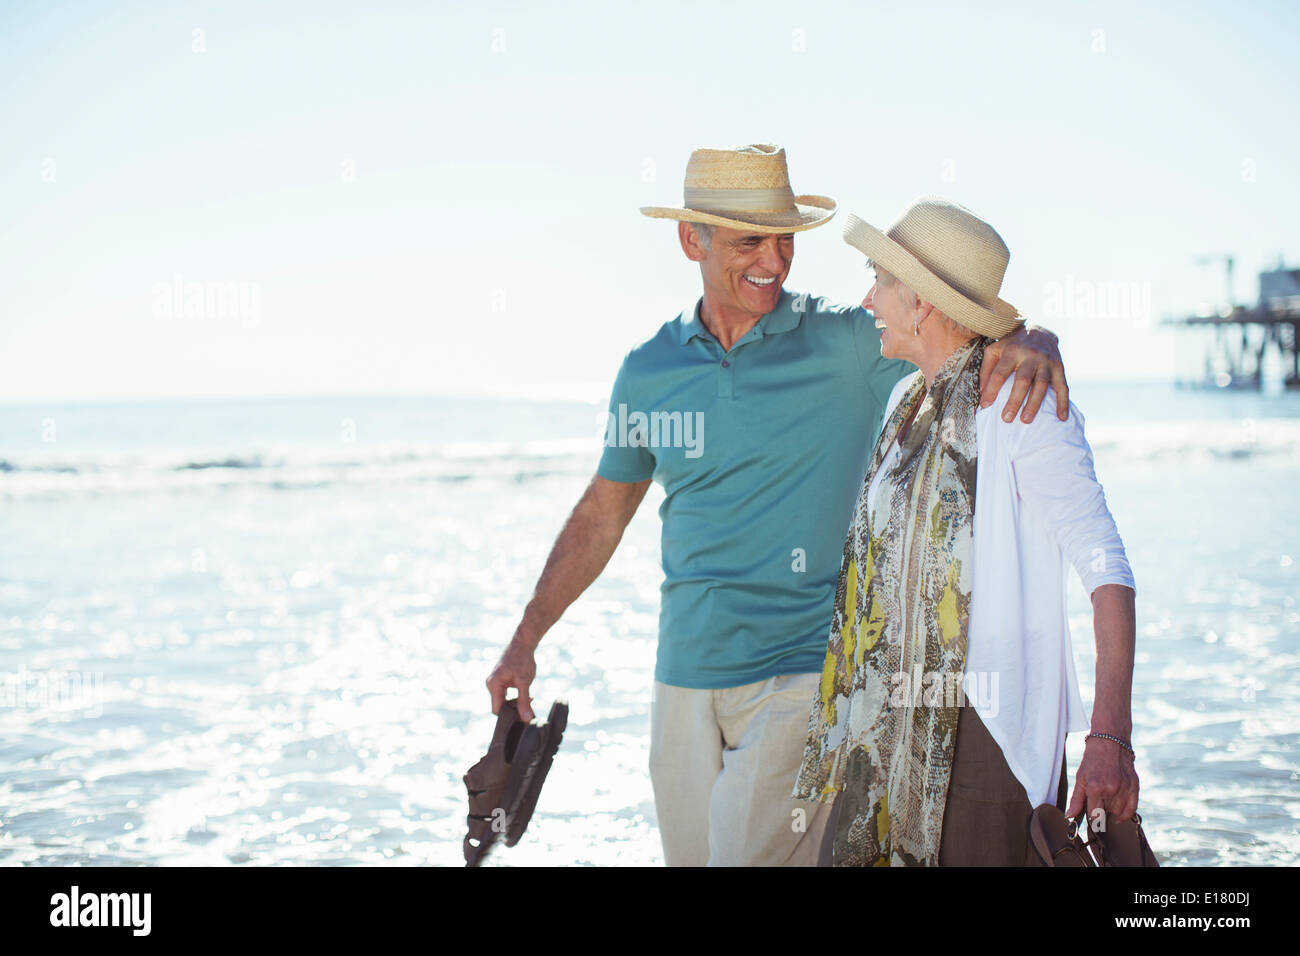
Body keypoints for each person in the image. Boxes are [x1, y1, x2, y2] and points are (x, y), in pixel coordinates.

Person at [487, 145, 1071, 866]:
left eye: (785, 238)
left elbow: (954, 330)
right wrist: (525, 640)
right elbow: (604, 512)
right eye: (749, 241)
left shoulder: (848, 344)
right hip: (682, 676)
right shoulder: (648, 370)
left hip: (802, 676)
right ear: (689, 239)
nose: (775, 259)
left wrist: (1030, 336)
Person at [794, 197, 1138, 866]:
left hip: (985, 729)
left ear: (920, 301)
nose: (868, 298)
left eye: (881, 280)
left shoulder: (1025, 408)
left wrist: (1110, 739)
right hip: (885, 716)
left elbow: (1108, 570)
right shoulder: (904, 403)